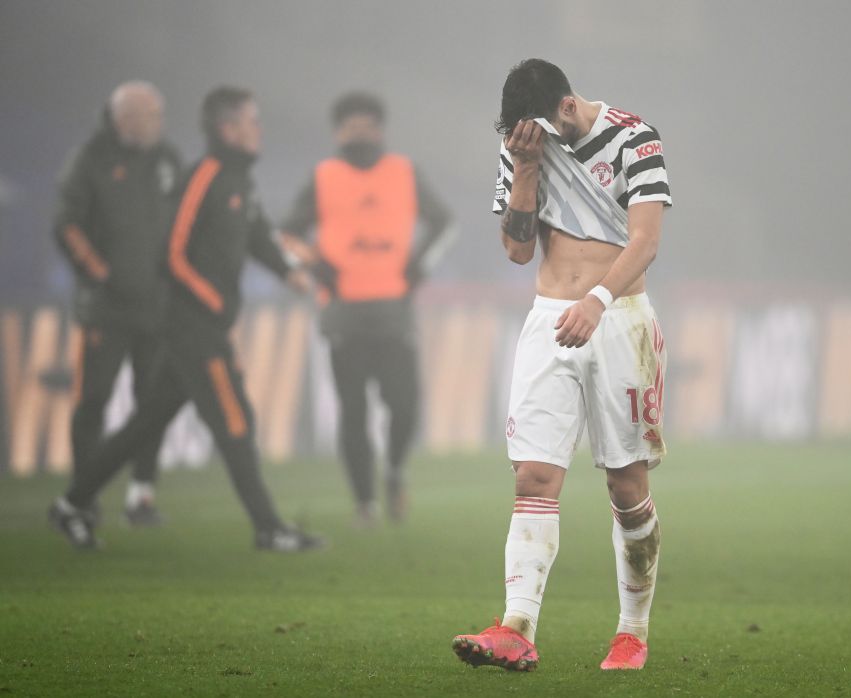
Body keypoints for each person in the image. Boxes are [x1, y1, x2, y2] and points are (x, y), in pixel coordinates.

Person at [451, 59, 672, 671]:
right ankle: (516, 625)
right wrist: (523, 169)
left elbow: (646, 240)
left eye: (541, 136)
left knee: (626, 487)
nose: (532, 144)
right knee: (533, 477)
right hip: (549, 320)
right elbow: (519, 250)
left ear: (567, 109)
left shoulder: (635, 136)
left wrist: (597, 302)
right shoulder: (522, 145)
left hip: (618, 318)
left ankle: (632, 632)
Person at [48, 86, 321, 552]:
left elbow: (257, 234)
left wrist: (289, 272)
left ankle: (73, 504)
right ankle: (268, 527)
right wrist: (211, 300)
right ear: (228, 128)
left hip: (197, 325)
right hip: (192, 325)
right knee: (234, 422)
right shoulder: (205, 175)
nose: (259, 130)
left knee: (146, 423)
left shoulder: (240, 180)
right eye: (252, 121)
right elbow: (171, 253)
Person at [280, 92, 454, 526]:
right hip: (344, 313)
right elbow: (285, 233)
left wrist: (420, 263)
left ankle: (394, 469)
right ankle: (364, 503)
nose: (360, 133)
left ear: (380, 130)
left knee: (405, 405)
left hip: (394, 309)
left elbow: (444, 222)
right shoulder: (323, 177)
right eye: (351, 126)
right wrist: (318, 266)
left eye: (367, 125)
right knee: (353, 411)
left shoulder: (404, 172)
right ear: (338, 132)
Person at [52, 81, 182, 526]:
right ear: (124, 117)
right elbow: (66, 224)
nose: (158, 124)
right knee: (94, 400)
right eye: (151, 115)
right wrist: (99, 273)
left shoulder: (167, 159)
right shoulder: (90, 159)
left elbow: (184, 222)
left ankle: (142, 495)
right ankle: (83, 497)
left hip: (157, 306)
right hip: (106, 308)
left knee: (153, 404)